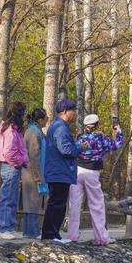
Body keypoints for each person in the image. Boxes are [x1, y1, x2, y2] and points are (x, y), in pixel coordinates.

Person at [68, 113, 123, 245]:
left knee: (74, 204)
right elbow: (117, 145)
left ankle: (72, 236)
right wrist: (118, 132)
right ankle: (101, 237)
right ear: (97, 124)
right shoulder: (101, 138)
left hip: (77, 171)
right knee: (96, 204)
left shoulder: (80, 138)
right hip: (92, 172)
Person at [41, 98, 84, 243]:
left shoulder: (58, 126)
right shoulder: (60, 128)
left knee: (58, 204)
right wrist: (80, 147)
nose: (75, 114)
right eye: (73, 111)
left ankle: (53, 234)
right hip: (59, 172)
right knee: (56, 204)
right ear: (65, 112)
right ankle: (49, 235)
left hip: (59, 171)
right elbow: (66, 149)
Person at [0, 101, 29, 240]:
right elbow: (9, 152)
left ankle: (9, 227)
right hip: (10, 166)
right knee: (7, 198)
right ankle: (3, 229)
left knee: (13, 199)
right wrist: (20, 161)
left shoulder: (15, 129)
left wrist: (23, 162)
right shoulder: (10, 130)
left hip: (14, 167)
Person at [22, 108, 49, 239]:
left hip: (32, 171)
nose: (47, 120)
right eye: (45, 118)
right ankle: (32, 231)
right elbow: (34, 155)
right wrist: (38, 176)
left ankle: (29, 231)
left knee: (33, 202)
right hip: (32, 173)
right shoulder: (33, 132)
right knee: (32, 202)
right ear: (40, 120)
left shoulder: (36, 131)